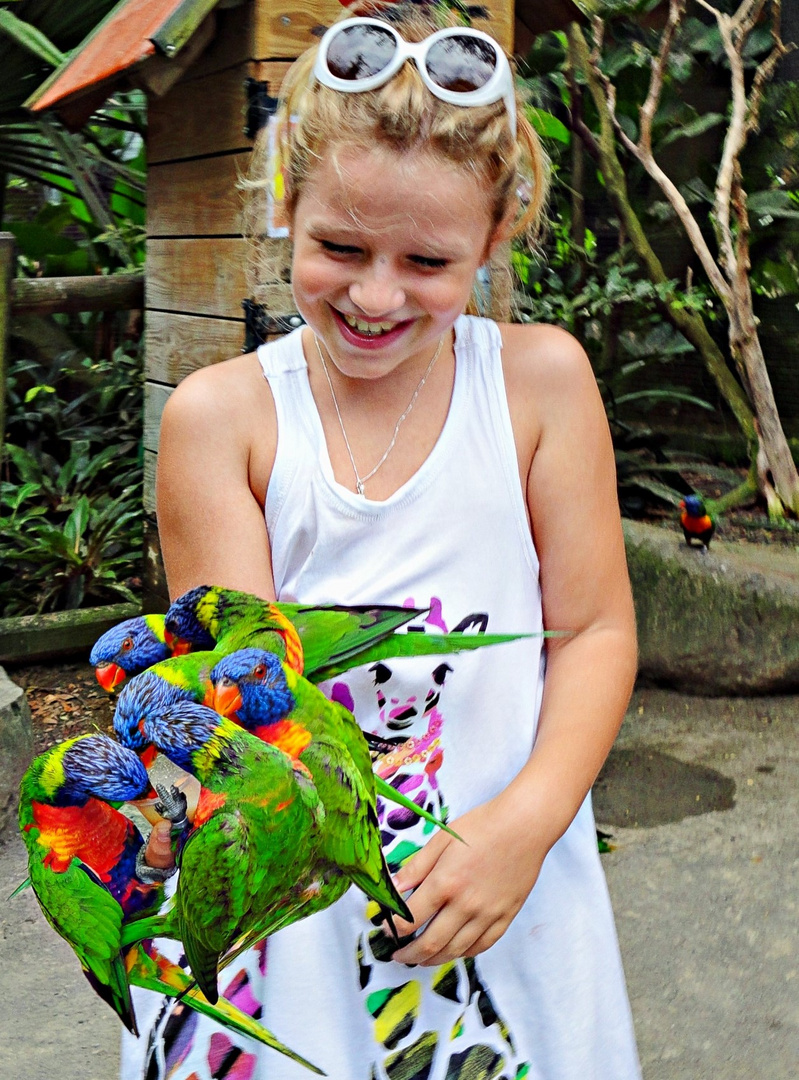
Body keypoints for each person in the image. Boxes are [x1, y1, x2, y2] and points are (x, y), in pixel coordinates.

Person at [125, 3, 641, 1077]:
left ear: (496, 236)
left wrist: (524, 830)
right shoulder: (223, 421)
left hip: (500, 888)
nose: (373, 295)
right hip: (294, 898)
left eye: (426, 261)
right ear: (280, 201)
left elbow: (591, 630)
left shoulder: (540, 386)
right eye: (340, 248)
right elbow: (243, 695)